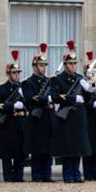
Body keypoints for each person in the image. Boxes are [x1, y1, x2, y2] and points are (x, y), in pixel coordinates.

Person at [49, 41, 92, 184]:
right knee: (68, 147)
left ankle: (76, 172)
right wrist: (73, 98)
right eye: (70, 63)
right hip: (66, 116)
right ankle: (68, 173)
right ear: (65, 64)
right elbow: (55, 97)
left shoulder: (80, 78)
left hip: (79, 115)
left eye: (74, 63)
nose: (72, 66)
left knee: (78, 145)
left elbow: (89, 98)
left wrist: (88, 89)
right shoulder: (58, 79)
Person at [0, 50, 28, 182]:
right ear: (8, 74)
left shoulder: (23, 88)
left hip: (20, 123)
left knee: (20, 153)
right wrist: (12, 107)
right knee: (6, 154)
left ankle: (18, 177)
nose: (17, 75)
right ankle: (8, 178)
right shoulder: (0, 89)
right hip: (8, 124)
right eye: (14, 73)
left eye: (18, 73)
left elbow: (30, 104)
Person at [21, 43, 55, 182]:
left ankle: (47, 174)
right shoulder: (28, 83)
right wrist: (45, 99)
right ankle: (37, 175)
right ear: (34, 66)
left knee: (48, 148)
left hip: (48, 117)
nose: (43, 68)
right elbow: (30, 99)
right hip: (36, 118)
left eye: (45, 65)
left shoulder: (50, 82)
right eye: (41, 65)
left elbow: (54, 95)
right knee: (37, 148)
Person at [81, 52, 96, 181]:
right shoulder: (82, 84)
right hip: (87, 117)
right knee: (88, 146)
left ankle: (94, 172)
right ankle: (88, 172)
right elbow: (84, 100)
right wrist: (91, 103)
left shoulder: (95, 85)